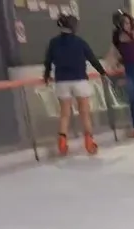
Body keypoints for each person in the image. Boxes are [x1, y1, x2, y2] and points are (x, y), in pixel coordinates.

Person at [43, 13, 107, 156]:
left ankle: (62, 142)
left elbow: (48, 61)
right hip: (79, 79)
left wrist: (46, 75)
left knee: (65, 113)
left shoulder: (54, 43)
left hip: (61, 81)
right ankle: (89, 142)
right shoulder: (80, 42)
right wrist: (102, 72)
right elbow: (92, 58)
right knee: (84, 112)